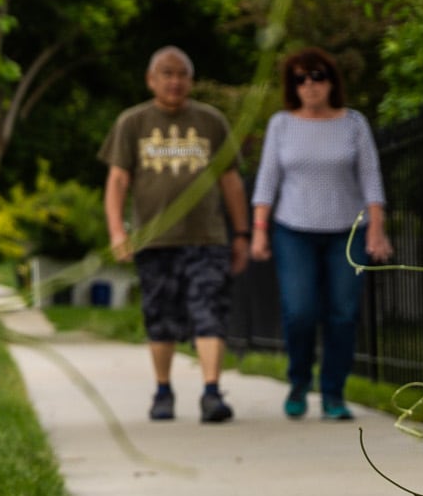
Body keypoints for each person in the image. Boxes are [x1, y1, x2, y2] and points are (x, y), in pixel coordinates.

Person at [100, 46, 252, 422]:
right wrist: (118, 230)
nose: (175, 81)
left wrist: (241, 234)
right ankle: (163, 390)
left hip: (207, 239)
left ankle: (212, 392)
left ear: (191, 80)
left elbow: (231, 182)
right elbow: (118, 180)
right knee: (160, 317)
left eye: (182, 74)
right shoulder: (132, 123)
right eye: (166, 74)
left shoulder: (211, 121)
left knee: (209, 312)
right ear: (151, 80)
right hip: (155, 241)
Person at [249, 47, 393, 420]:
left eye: (317, 77)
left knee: (343, 314)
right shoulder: (282, 124)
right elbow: (266, 182)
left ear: (331, 82)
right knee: (300, 311)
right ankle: (299, 381)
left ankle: (333, 392)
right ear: (292, 86)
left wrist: (377, 230)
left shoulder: (353, 124)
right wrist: (260, 232)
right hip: (292, 230)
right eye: (301, 79)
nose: (310, 85)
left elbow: (371, 178)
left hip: (347, 231)